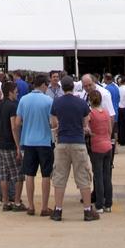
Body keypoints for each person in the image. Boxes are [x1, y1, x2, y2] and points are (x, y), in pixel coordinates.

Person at [49, 76, 99, 222]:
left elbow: (53, 122)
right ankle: (87, 210)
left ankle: (58, 210)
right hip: (78, 142)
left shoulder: (57, 103)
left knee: (60, 177)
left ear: (62, 88)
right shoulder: (82, 103)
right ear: (73, 87)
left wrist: (59, 127)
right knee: (83, 177)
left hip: (62, 142)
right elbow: (86, 123)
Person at [13, 72, 54, 217]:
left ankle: (31, 206)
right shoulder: (48, 100)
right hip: (44, 141)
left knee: (29, 174)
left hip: (28, 141)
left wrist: (28, 122)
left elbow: (17, 122)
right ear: (43, 85)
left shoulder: (24, 99)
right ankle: (44, 206)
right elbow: (52, 122)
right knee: (46, 174)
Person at [0, 79, 26, 211]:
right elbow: (14, 127)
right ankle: (17, 202)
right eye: (16, 92)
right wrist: (18, 146)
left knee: (4, 174)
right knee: (18, 175)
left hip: (1, 144)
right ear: (11, 92)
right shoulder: (13, 106)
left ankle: (5, 202)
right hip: (11, 144)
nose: (17, 94)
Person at [87, 88, 114, 214]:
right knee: (107, 176)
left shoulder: (91, 114)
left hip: (97, 146)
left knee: (98, 176)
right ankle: (108, 203)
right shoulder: (106, 112)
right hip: (108, 145)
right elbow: (109, 129)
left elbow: (87, 129)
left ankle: (99, 204)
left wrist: (91, 133)